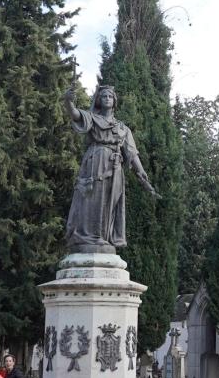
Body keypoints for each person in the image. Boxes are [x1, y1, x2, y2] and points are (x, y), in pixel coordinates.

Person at [63, 85, 159, 253]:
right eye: (104, 96)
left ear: (114, 101)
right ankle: (87, 237)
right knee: (91, 198)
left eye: (110, 96)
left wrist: (141, 170)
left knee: (109, 202)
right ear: (99, 100)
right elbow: (76, 115)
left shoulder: (123, 128)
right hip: (95, 162)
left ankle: (103, 237)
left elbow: (131, 152)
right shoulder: (92, 118)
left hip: (115, 168)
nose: (107, 98)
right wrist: (69, 102)